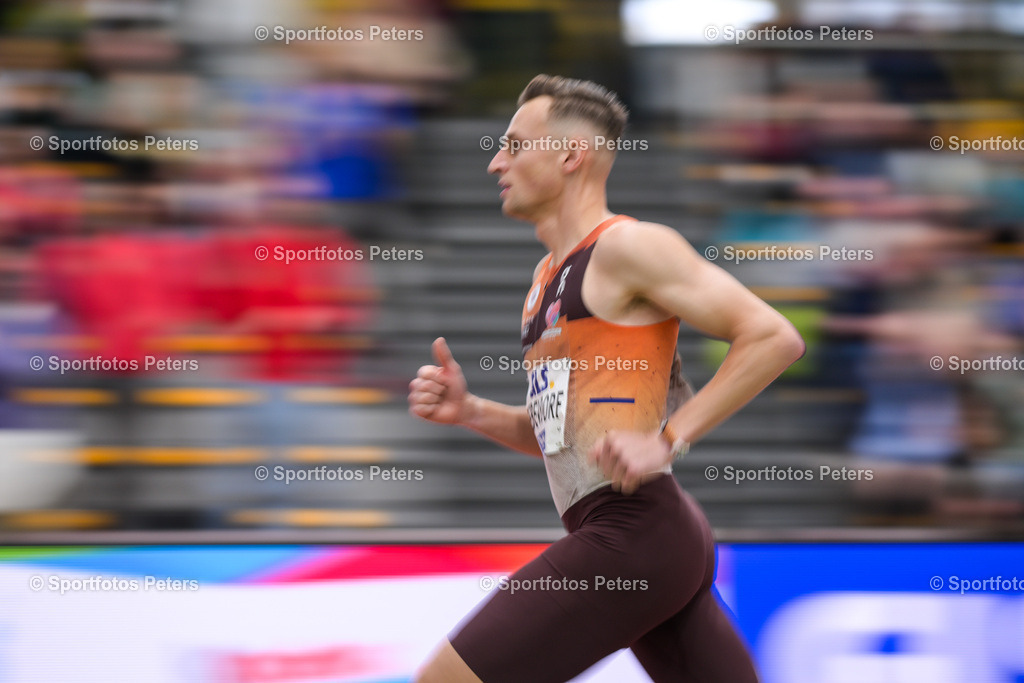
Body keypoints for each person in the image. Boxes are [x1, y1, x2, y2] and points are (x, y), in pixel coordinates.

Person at [407, 74, 804, 683]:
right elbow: (563, 437)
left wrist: (668, 438)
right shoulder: (546, 279)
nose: (494, 162)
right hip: (650, 540)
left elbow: (774, 336)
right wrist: (470, 412)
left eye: (514, 144)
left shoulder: (630, 247)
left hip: (635, 533)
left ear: (570, 155)